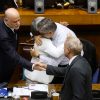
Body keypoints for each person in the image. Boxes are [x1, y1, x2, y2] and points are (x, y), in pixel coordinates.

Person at [34, 36, 92, 100]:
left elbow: (78, 97)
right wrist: (45, 66)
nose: (63, 49)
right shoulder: (80, 61)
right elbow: (65, 71)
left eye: (64, 47)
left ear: (68, 50)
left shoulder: (76, 69)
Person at [24, 17, 77, 84]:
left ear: (50, 33)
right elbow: (34, 29)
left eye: (42, 34)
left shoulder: (63, 40)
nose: (40, 36)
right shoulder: (50, 25)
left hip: (66, 64)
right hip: (40, 73)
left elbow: (54, 63)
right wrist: (35, 35)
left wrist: (38, 56)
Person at [0, 8, 34, 84]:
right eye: (15, 21)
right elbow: (13, 55)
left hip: (9, 60)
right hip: (3, 66)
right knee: (4, 87)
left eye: (19, 20)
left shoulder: (9, 24)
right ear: (6, 20)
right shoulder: (3, 36)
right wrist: (32, 66)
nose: (18, 23)